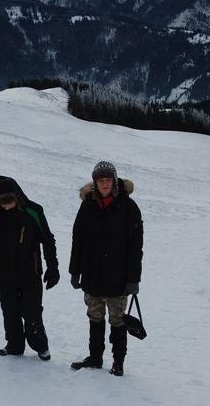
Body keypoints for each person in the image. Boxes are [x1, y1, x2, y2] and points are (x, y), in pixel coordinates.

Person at [69, 161, 143, 376]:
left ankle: (118, 362)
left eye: (108, 179)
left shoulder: (128, 207)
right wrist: (75, 270)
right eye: (100, 180)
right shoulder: (87, 206)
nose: (104, 184)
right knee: (95, 318)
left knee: (117, 321)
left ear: (114, 181)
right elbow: (77, 240)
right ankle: (95, 358)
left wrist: (133, 279)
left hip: (118, 277)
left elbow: (135, 247)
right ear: (95, 182)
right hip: (92, 274)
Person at [0, 176, 60, 361]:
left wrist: (52, 267)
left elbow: (48, 240)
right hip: (3, 273)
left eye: (9, 201)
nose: (6, 206)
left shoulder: (33, 211)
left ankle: (40, 346)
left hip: (30, 272)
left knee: (32, 313)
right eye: (2, 202)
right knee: (10, 313)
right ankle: (14, 346)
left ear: (17, 196)